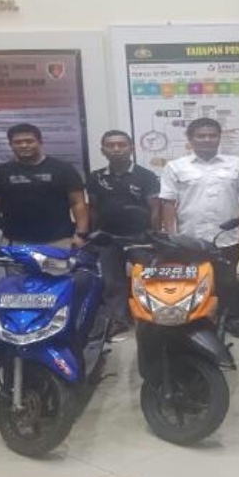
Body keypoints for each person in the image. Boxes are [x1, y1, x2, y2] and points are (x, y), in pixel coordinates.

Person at [159, 117, 239, 338]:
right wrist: (171, 235)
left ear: (219, 138)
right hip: (189, 237)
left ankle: (230, 318)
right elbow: (168, 202)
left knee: (227, 280)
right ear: (190, 139)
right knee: (192, 280)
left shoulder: (236, 164)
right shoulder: (175, 167)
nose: (206, 140)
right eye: (201, 136)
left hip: (226, 235)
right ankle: (196, 319)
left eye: (212, 135)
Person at [86, 130, 160, 329]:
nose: (117, 149)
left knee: (148, 279)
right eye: (111, 145)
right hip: (107, 238)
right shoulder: (95, 177)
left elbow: (155, 208)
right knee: (112, 283)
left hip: (141, 238)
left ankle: (151, 320)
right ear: (103, 150)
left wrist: (156, 236)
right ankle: (117, 321)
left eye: (122, 145)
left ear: (131, 148)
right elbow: (93, 207)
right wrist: (91, 234)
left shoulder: (146, 176)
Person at [0, 123, 89, 248]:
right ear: (10, 145)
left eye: (29, 141)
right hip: (14, 241)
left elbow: (78, 203)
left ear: (40, 142)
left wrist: (81, 235)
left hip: (59, 241)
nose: (24, 145)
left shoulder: (64, 169)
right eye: (18, 142)